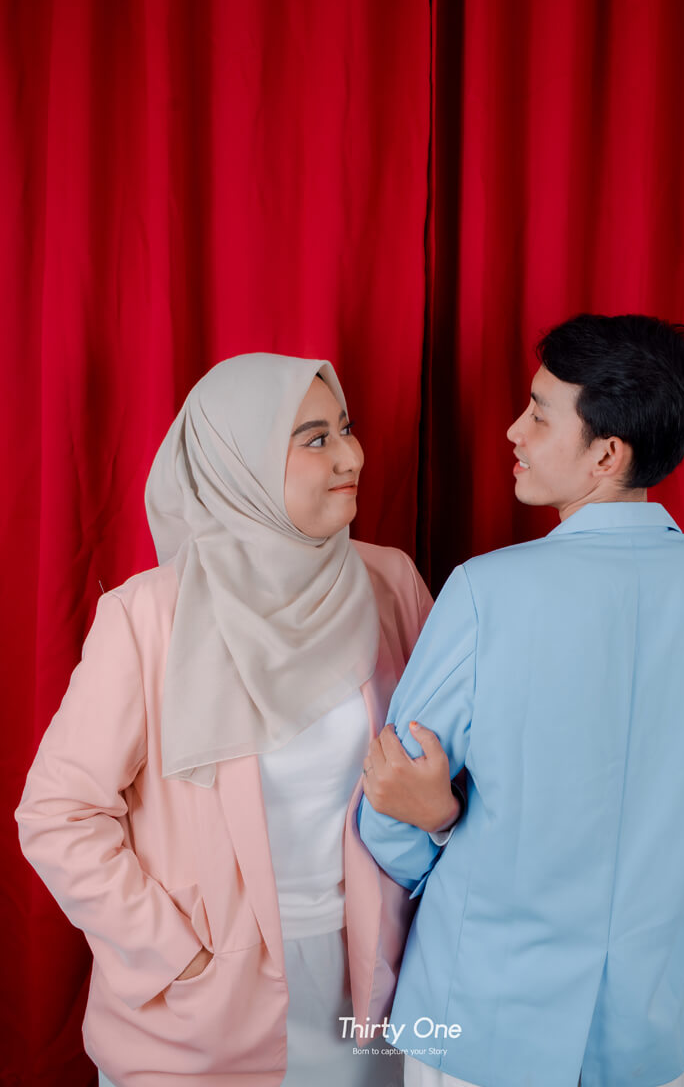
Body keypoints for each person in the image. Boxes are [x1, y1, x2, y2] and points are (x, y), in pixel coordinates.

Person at [358, 314, 684, 1087]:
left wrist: (442, 824)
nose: (513, 430)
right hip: (655, 1011)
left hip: (486, 1002)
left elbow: (390, 800)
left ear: (606, 455)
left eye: (539, 415)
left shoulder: (486, 590)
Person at [16, 352, 446, 1087]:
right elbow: (58, 813)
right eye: (315, 439)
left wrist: (438, 817)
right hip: (198, 1015)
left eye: (346, 429)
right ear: (238, 462)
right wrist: (175, 955)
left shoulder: (391, 583)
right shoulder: (150, 615)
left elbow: (448, 766)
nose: (350, 456)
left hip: (368, 986)